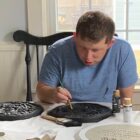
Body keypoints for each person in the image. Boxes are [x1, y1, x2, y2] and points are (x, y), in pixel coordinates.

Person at [36, 11, 138, 104]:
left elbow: (126, 99)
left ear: (110, 44)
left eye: (95, 50)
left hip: (108, 114)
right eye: (83, 48)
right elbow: (41, 91)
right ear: (75, 37)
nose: (88, 57)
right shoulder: (57, 50)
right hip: (67, 112)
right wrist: (52, 94)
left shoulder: (123, 50)